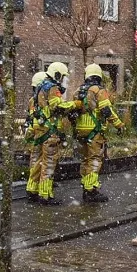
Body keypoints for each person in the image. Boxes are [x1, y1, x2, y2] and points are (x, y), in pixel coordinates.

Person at [73, 64, 125, 203]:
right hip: (94, 131)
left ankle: (86, 186)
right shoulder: (99, 90)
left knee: (85, 159)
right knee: (95, 159)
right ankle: (91, 191)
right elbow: (106, 110)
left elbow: (73, 111)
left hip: (80, 131)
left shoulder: (78, 91)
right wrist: (119, 124)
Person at [33, 62, 80, 206]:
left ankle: (34, 191)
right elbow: (57, 106)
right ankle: (45, 196)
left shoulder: (42, 85)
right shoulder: (52, 87)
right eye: (62, 76)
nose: (63, 80)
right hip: (50, 131)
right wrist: (74, 104)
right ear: (57, 74)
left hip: (42, 130)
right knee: (49, 164)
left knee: (38, 162)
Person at [25, 71, 47, 203]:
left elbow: (30, 117)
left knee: (35, 161)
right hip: (43, 133)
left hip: (34, 133)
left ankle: (32, 189)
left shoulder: (32, 101)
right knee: (44, 162)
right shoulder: (42, 100)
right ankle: (43, 191)